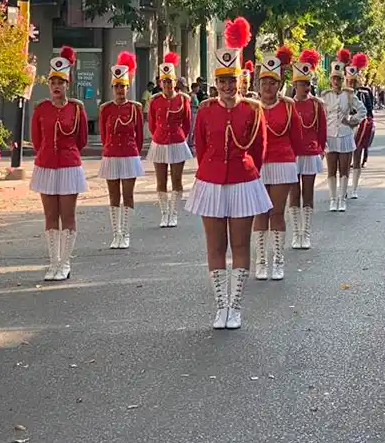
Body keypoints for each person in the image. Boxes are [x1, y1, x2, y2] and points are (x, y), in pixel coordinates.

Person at [185, 17, 270, 330]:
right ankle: (220, 305)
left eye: (232, 80)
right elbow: (201, 144)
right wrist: (210, 171)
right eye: (222, 81)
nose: (227, 86)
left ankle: (235, 306)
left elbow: (259, 150)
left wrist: (247, 174)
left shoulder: (253, 110)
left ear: (241, 80)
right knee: (215, 247)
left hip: (243, 182)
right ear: (215, 82)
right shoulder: (206, 109)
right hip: (210, 182)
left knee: (241, 246)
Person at [29, 46, 88, 281]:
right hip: (46, 166)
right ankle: (53, 262)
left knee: (68, 215)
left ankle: (65, 262)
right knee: (50, 216)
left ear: (67, 84)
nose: (56, 86)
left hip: (69, 166)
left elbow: (81, 140)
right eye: (53, 81)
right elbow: (36, 140)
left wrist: (67, 156)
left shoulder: (76, 109)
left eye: (61, 82)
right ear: (48, 84)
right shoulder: (40, 109)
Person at [253, 52, 302, 281]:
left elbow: (297, 138)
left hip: (283, 163)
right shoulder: (252, 107)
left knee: (277, 212)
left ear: (280, 84)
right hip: (258, 165)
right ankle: (261, 260)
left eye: (272, 83)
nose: (268, 87)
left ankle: (278, 260)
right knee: (260, 213)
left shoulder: (289, 106)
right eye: (264, 83)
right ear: (259, 84)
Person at [98, 52, 145, 249]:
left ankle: (125, 233)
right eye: (116, 86)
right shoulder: (105, 109)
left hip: (129, 154)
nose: (119, 90)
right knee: (113, 196)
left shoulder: (135, 108)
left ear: (128, 87)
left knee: (128, 195)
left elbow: (140, 136)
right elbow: (102, 134)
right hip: (111, 155)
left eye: (122, 86)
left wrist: (134, 152)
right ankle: (115, 233)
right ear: (112, 88)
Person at [146, 52, 193, 228]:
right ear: (160, 83)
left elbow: (187, 123)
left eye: (170, 81)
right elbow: (151, 124)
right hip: (159, 142)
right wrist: (158, 135)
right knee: (160, 180)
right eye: (164, 81)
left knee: (177, 180)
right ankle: (164, 213)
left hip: (177, 142)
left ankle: (173, 213)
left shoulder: (183, 99)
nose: (167, 85)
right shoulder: (155, 100)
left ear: (175, 82)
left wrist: (181, 137)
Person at [288, 49, 327, 249]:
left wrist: (320, 149)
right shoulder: (288, 105)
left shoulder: (317, 104)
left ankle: (307, 233)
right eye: (300, 84)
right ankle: (296, 232)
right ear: (294, 85)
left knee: (308, 193)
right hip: (292, 155)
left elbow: (322, 129)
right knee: (294, 193)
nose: (304, 87)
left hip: (310, 153)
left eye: (307, 84)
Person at [322, 49, 365, 212]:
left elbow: (362, 111)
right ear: (330, 80)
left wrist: (352, 121)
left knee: (344, 169)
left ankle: (342, 198)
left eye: (339, 79)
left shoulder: (349, 95)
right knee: (331, 169)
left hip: (345, 134)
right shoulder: (325, 96)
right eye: (334, 78)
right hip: (330, 135)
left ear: (343, 80)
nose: (336, 81)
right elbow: (321, 115)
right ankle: (333, 199)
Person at [345, 52, 374, 197]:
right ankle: (342, 189)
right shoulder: (341, 94)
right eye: (349, 81)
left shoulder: (365, 93)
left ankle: (354, 189)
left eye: (353, 81)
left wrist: (367, 126)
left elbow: (369, 112)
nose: (351, 83)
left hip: (360, 127)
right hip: (345, 128)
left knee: (357, 157)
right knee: (344, 161)